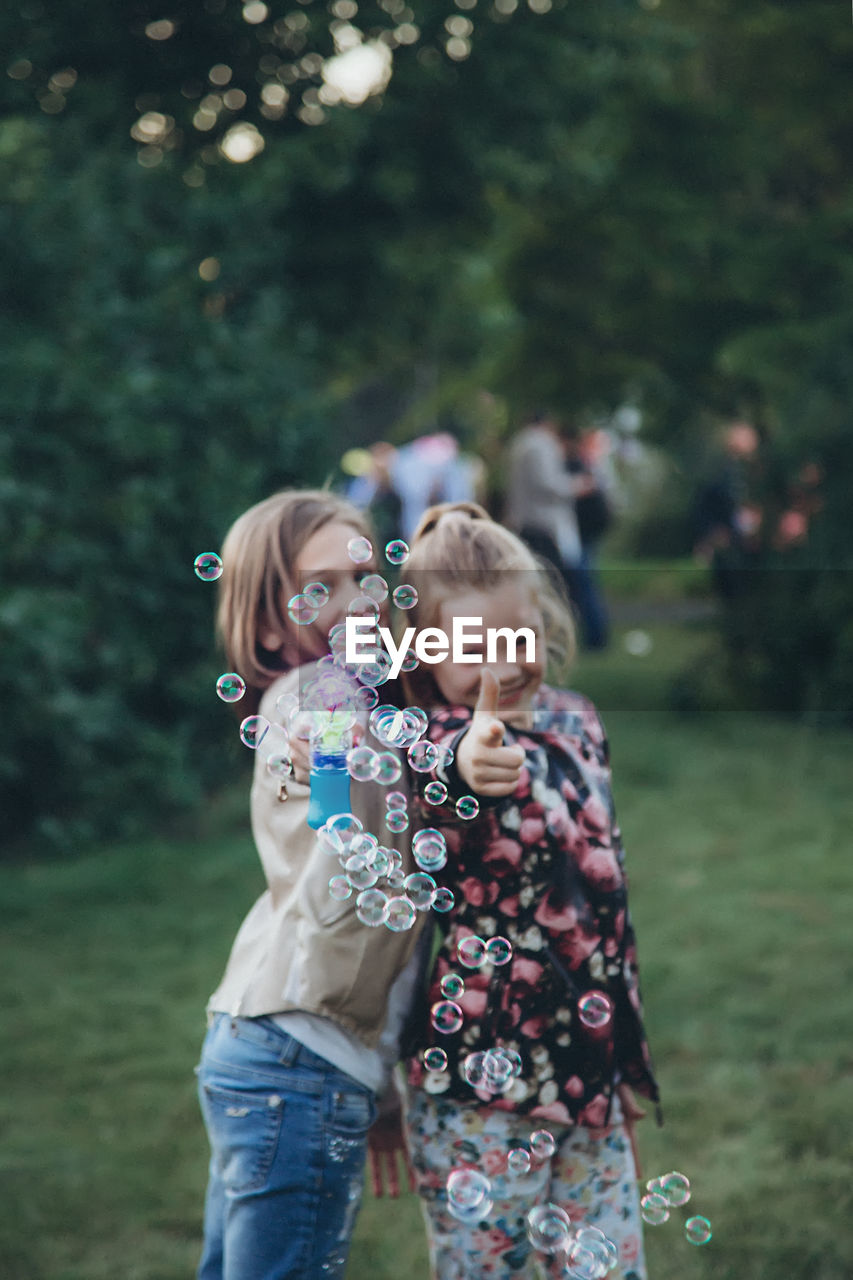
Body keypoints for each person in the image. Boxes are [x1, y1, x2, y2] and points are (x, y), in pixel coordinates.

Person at [399, 503, 660, 1280]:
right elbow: (444, 774)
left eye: (516, 638)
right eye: (469, 648)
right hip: (480, 1091)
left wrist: (621, 1067)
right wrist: (464, 763)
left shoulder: (578, 721)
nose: (499, 667)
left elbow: (604, 914)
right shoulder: (429, 739)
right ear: (425, 652)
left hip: (586, 1076)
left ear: (541, 625)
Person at [195, 489, 423, 1280]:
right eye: (321, 587)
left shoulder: (356, 708)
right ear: (266, 624)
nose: (357, 601)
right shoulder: (314, 699)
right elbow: (323, 741)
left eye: (364, 577)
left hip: (278, 1052)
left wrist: (383, 1085)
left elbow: (374, 934)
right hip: (295, 1070)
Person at [504, 412, 596, 643]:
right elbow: (549, 484)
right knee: (558, 584)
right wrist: (578, 485)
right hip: (545, 526)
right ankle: (563, 633)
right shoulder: (540, 444)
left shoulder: (520, 443)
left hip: (528, 523)